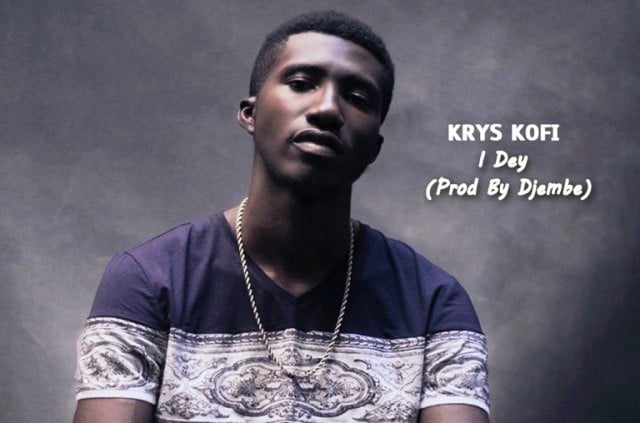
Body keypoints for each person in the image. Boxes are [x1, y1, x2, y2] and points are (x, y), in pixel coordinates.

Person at [73, 10, 489, 423]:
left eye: (358, 99)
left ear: (374, 149)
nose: (327, 109)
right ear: (249, 114)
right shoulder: (149, 279)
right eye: (301, 83)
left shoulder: (433, 302)